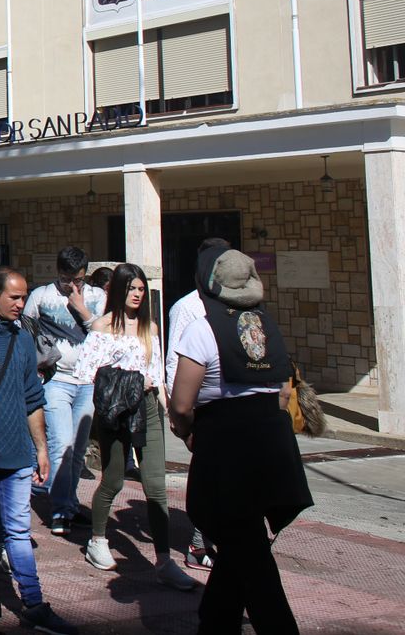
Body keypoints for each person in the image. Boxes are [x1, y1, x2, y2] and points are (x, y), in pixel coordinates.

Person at [169, 250, 310, 634]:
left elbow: (181, 404)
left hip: (226, 448)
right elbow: (283, 394)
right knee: (241, 544)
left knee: (250, 555)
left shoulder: (201, 329)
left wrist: (188, 433)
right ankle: (214, 623)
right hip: (271, 444)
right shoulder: (267, 325)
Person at [0, 268, 77, 635]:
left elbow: (33, 398)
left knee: (17, 530)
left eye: (24, 297)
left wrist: (41, 448)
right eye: (14, 297)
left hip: (15, 452)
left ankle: (33, 602)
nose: (21, 304)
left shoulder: (24, 336)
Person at [72, 263, 196, 589]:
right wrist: (128, 380)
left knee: (155, 487)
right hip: (116, 411)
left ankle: (164, 559)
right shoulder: (101, 326)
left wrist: (168, 408)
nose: (138, 295)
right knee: (112, 480)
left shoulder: (149, 328)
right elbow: (86, 372)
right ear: (119, 291)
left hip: (148, 408)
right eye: (132, 289)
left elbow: (158, 372)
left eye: (141, 289)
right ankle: (97, 540)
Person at [23, 245, 104, 535]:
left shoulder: (97, 297)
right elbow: (26, 329)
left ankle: (69, 505)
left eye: (78, 279)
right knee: (61, 444)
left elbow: (105, 335)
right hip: (56, 380)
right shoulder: (41, 296)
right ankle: (59, 510)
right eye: (66, 278)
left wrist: (82, 309)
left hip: (87, 381)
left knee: (78, 450)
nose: (72, 284)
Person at [169, 238, 232, 572]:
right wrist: (183, 423)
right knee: (211, 484)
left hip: (233, 417)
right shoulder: (187, 309)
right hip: (205, 414)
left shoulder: (239, 308)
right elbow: (173, 365)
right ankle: (197, 544)